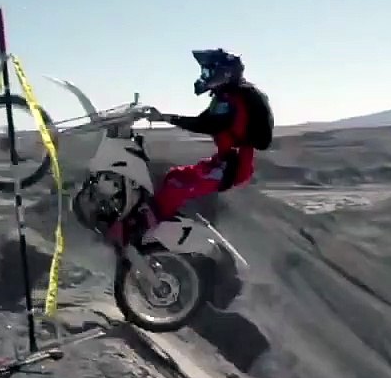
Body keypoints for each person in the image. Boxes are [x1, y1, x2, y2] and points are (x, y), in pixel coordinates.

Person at [106, 48, 274, 248]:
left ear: (224, 73)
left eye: (208, 71)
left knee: (177, 187)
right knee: (173, 175)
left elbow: (206, 124)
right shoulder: (228, 97)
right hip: (223, 162)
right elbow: (204, 120)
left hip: (232, 168)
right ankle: (157, 221)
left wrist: (167, 118)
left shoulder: (234, 99)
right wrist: (164, 117)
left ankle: (132, 237)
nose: (205, 76)